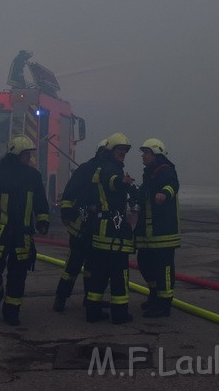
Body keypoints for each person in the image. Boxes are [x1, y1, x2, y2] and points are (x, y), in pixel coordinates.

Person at [0, 135, 50, 326]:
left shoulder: (33, 176)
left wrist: (43, 221)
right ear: (16, 154)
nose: (29, 158)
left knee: (17, 277)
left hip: (22, 236)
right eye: (26, 154)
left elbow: (40, 202)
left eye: (29, 154)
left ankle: (11, 311)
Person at [83, 132, 137, 324]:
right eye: (119, 150)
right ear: (111, 150)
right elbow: (111, 182)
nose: (123, 153)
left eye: (125, 150)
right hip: (114, 231)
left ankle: (93, 312)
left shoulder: (104, 167)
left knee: (98, 273)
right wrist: (121, 182)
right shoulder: (110, 169)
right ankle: (120, 314)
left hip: (102, 229)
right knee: (119, 273)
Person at [52, 138, 109, 312]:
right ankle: (61, 299)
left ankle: (89, 299)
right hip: (82, 225)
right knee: (73, 265)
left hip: (97, 228)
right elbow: (70, 193)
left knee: (91, 266)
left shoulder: (107, 171)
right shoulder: (86, 169)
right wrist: (67, 214)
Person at [134, 138, 180, 318]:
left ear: (156, 153)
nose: (143, 156)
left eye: (146, 152)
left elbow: (173, 185)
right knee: (144, 263)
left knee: (164, 268)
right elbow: (145, 195)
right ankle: (154, 295)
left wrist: (164, 193)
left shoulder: (166, 170)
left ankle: (164, 304)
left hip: (163, 232)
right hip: (149, 232)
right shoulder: (150, 174)